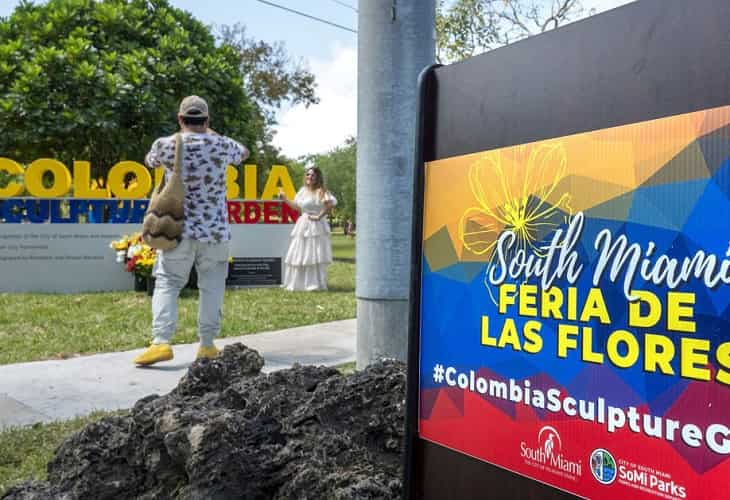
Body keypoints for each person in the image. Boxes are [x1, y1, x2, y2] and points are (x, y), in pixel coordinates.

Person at [133, 95, 249, 366]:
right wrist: (212, 134)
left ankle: (161, 342)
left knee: (168, 282)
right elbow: (244, 153)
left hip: (177, 229)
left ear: (180, 119)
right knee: (212, 287)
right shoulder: (222, 145)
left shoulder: (166, 144)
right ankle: (207, 345)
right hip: (215, 232)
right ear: (206, 120)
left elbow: (150, 161)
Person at [279, 167, 337, 291]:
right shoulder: (302, 191)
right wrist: (285, 199)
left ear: (317, 178)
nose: (309, 177)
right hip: (303, 224)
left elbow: (330, 204)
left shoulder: (321, 191)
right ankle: (298, 284)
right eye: (308, 175)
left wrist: (318, 216)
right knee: (299, 253)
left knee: (313, 254)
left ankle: (314, 284)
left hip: (316, 226)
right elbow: (298, 207)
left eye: (313, 175)